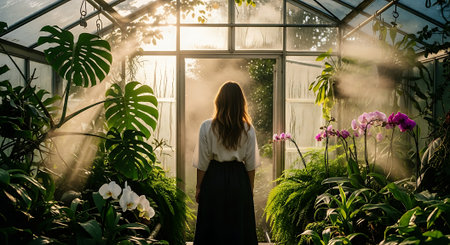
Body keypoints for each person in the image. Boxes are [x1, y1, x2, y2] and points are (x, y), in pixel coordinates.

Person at [193, 81, 260, 245]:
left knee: (212, 227)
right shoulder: (248, 129)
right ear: (241, 103)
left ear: (218, 101)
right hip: (239, 179)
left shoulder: (206, 126)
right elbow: (251, 165)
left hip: (213, 178)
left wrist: (199, 187)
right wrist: (249, 188)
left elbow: (202, 161)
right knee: (238, 227)